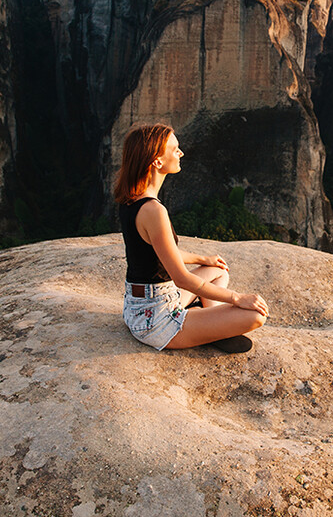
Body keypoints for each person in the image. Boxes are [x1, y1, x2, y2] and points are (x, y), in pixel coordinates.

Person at [115, 123, 268, 352]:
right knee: (255, 315)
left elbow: (161, 252)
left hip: (139, 306)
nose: (181, 153)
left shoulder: (131, 199)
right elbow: (182, 280)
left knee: (218, 270)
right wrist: (236, 298)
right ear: (157, 161)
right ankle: (211, 326)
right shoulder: (154, 211)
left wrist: (202, 259)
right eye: (174, 149)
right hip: (158, 320)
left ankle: (210, 323)